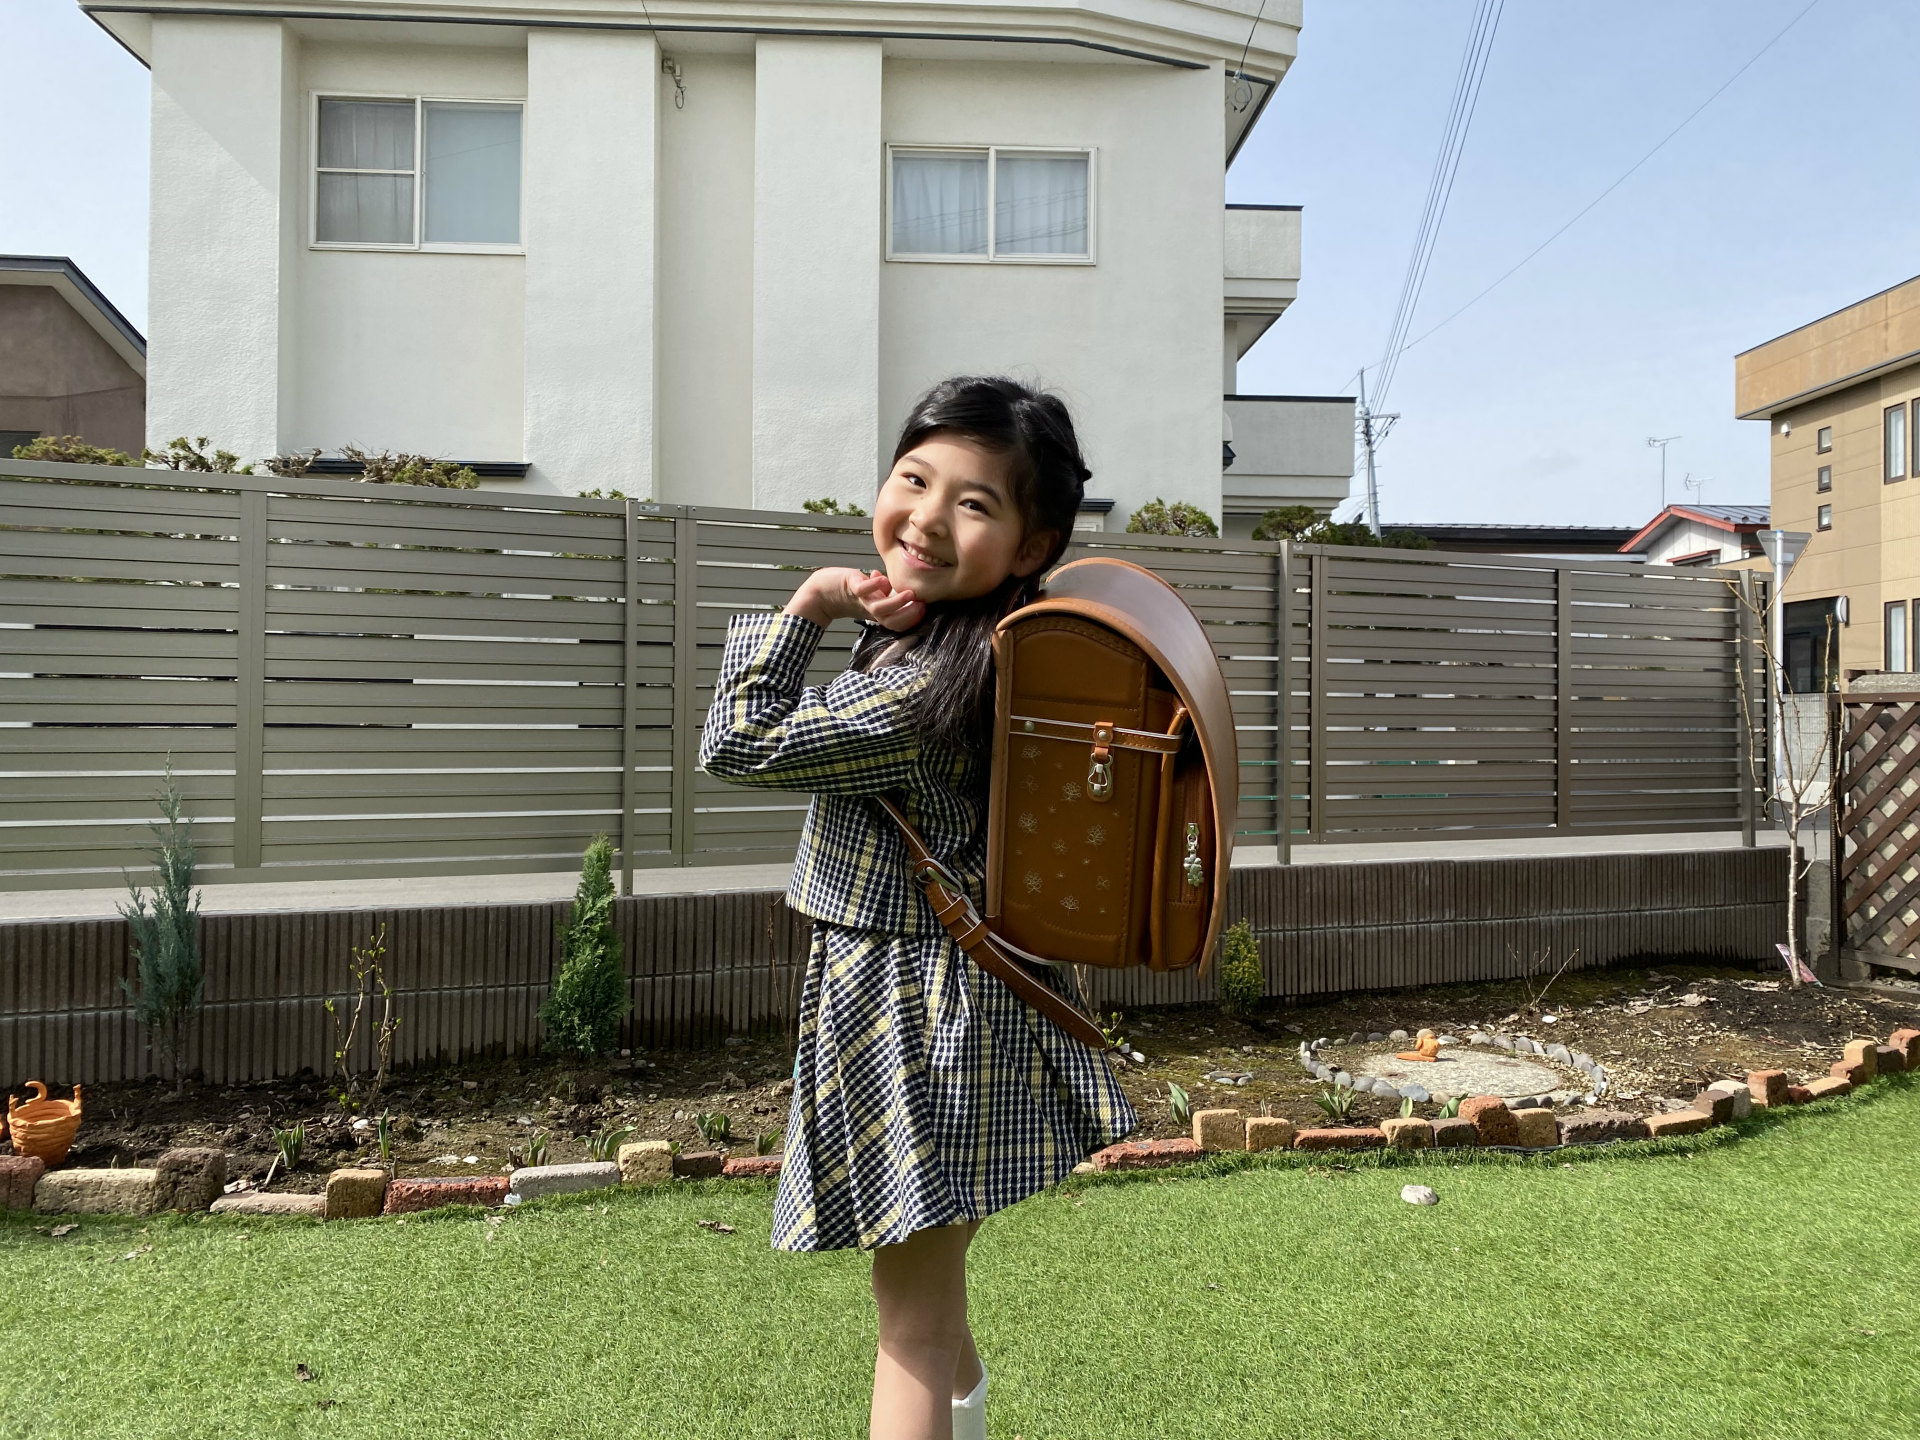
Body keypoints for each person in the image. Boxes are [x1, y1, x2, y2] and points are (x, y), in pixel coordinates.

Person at [700, 376, 1137, 1440]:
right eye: (915, 478)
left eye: (975, 503)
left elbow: (739, 741)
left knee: (912, 1327)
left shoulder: (929, 685)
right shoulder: (965, 647)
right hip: (951, 998)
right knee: (930, 1293)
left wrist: (806, 608)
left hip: (911, 1005)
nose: (927, 518)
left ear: (1030, 546)